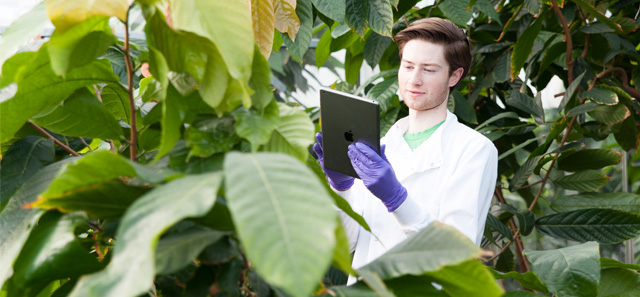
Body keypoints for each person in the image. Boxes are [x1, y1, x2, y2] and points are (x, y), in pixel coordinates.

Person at [313, 17, 498, 284]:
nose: (414, 79)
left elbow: (457, 256)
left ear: (454, 76)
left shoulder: (474, 150)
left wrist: (397, 199)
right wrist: (341, 189)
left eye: (429, 70)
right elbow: (350, 243)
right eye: (408, 66)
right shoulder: (382, 144)